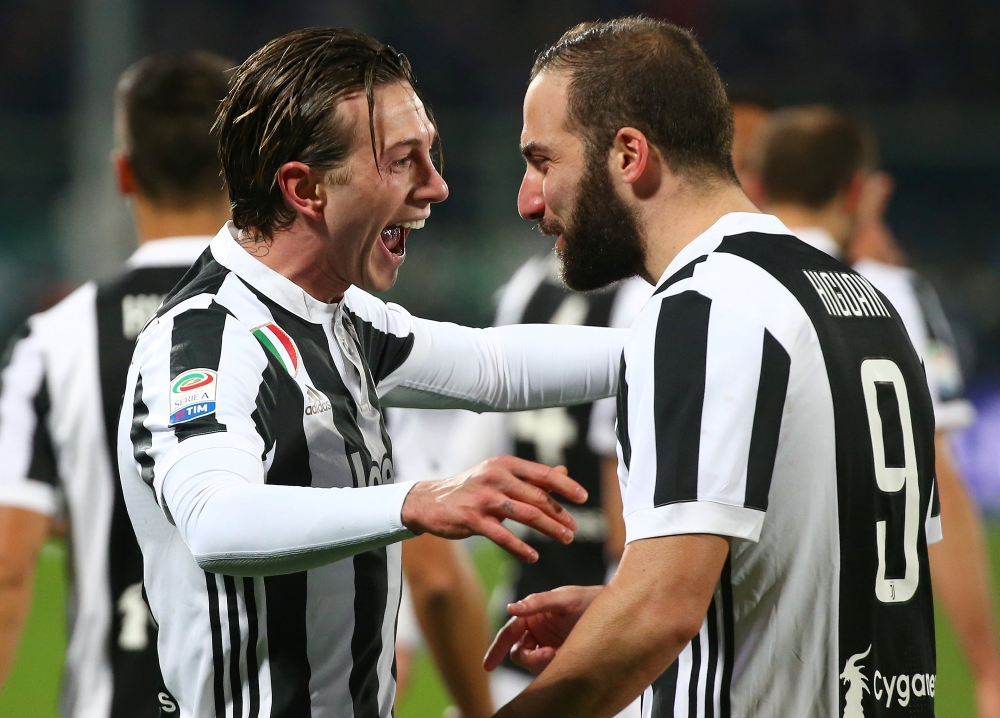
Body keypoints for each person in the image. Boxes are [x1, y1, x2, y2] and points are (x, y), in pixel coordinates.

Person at [117, 28, 626, 718]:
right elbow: (217, 521)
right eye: (403, 161)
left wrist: (694, 342)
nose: (436, 187)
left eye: (432, 154)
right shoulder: (205, 340)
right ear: (305, 188)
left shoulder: (341, 317)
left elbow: (492, 365)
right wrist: (413, 500)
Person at [484, 17, 940, 717]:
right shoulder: (862, 300)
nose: (529, 199)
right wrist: (619, 606)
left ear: (629, 153)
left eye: (543, 161)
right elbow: (827, 572)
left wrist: (632, 617)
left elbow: (661, 616)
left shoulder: (706, 306)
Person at [0, 52, 232, 717]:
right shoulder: (295, 327)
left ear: (122, 173)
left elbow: (8, 567)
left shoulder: (53, 342)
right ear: (242, 169)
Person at [757, 104, 1000, 718]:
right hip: (879, 656)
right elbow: (934, 479)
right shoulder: (892, 294)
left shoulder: (708, 286)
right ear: (859, 191)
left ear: (756, 187)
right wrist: (990, 669)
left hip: (740, 654)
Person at [389, 253, 650, 717]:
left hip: (516, 650)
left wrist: (402, 631)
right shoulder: (656, 297)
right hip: (618, 670)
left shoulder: (526, 285)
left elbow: (461, 478)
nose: (531, 203)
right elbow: (627, 533)